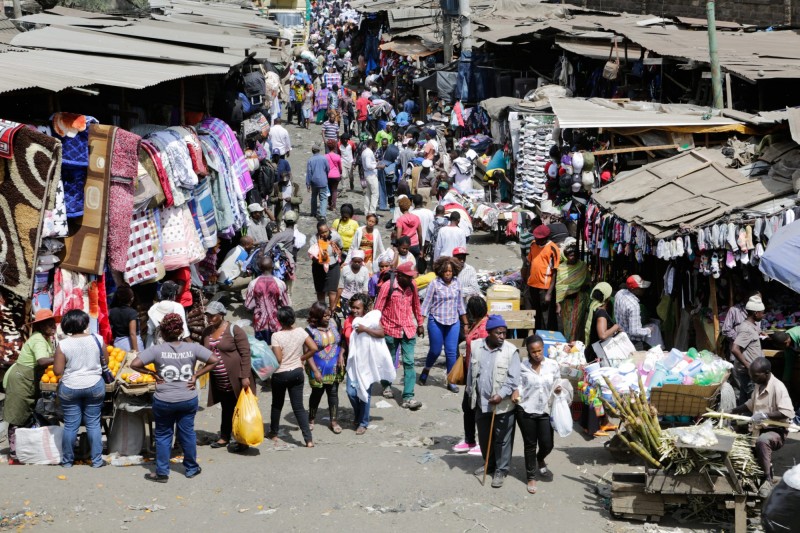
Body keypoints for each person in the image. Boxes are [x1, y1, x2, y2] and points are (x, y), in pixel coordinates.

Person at [132, 313, 219, 483]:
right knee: (187, 433)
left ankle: (162, 472)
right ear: (180, 331)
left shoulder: (156, 350)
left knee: (163, 435)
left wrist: (152, 373)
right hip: (187, 398)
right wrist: (196, 375)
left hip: (164, 400)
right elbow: (214, 360)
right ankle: (192, 468)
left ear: (163, 332)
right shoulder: (193, 347)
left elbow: (134, 364)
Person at [467, 315, 521, 488]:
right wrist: (470, 394)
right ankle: (488, 465)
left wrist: (502, 394)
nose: (502, 336)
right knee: (484, 437)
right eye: (499, 333)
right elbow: (471, 373)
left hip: (502, 404)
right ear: (489, 332)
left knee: (502, 439)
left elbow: (513, 379)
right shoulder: (476, 347)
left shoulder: (511, 351)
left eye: (504, 333)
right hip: (481, 403)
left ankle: (501, 470)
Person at [50, 310, 105, 468]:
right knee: (93, 423)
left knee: (70, 425)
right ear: (86, 323)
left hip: (70, 387)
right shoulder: (97, 339)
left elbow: (57, 371)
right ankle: (97, 461)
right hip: (94, 384)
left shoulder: (64, 344)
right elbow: (105, 361)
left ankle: (67, 462)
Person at [3, 310, 57, 464]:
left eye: (53, 323)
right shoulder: (38, 339)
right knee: (16, 416)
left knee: (26, 415)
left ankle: (23, 449)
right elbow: (41, 361)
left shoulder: (46, 339)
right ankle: (14, 455)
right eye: (48, 323)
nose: (53, 326)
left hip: (28, 380)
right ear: (40, 326)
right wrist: (60, 357)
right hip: (20, 379)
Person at [730, 357, 795, 485]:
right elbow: (750, 403)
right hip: (758, 428)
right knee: (742, 442)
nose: (752, 379)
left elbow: (788, 412)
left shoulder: (778, 387)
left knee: (763, 441)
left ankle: (767, 480)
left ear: (766, 373)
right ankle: (758, 475)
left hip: (776, 431)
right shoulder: (759, 384)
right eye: (751, 375)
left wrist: (766, 415)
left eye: (755, 376)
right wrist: (732, 411)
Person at [512, 335, 560, 494]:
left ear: (543, 348)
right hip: (526, 409)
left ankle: (540, 458)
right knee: (530, 444)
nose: (537, 354)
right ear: (528, 352)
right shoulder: (522, 366)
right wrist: (516, 391)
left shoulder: (552, 365)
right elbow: (517, 383)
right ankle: (531, 476)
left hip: (546, 410)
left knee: (548, 444)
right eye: (533, 352)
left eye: (539, 350)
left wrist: (559, 389)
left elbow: (557, 382)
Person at [202, 302, 252, 453]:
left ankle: (242, 439)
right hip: (219, 380)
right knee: (226, 408)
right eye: (208, 315)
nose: (210, 318)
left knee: (240, 409)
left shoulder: (234, 330)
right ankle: (224, 436)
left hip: (236, 378)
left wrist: (244, 376)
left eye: (213, 315)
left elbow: (245, 354)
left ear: (221, 315)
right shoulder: (207, 332)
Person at [374, 261, 424, 409]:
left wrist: (420, 324)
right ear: (399, 275)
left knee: (409, 362)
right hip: (390, 329)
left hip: (408, 329)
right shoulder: (386, 287)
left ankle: (408, 396)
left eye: (412, 277)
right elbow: (378, 309)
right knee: (389, 360)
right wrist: (378, 328)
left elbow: (416, 305)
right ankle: (386, 385)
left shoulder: (412, 286)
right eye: (408, 277)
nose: (411, 280)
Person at [345, 293, 396, 434]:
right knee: (351, 392)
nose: (355, 310)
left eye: (358, 308)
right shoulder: (348, 320)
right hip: (353, 361)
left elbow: (381, 333)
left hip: (367, 362)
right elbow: (345, 338)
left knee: (365, 392)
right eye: (353, 307)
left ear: (364, 308)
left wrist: (365, 329)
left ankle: (363, 422)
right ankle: (359, 414)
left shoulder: (370, 319)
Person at [269, 306, 317, 447]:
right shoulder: (301, 332)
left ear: (279, 321)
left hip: (281, 374)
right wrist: (301, 358)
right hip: (297, 372)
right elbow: (313, 348)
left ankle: (274, 432)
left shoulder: (276, 336)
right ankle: (308, 440)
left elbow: (278, 359)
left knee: (277, 404)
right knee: (299, 407)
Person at [419, 256, 468, 392]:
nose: (448, 274)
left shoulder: (457, 283)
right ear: (440, 271)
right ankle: (426, 369)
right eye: (445, 271)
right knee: (435, 350)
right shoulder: (434, 284)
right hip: (436, 320)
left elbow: (460, 304)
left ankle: (450, 380)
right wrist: (420, 323)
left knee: (451, 352)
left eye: (450, 271)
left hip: (453, 321)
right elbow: (426, 304)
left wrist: (465, 323)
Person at [453, 296, 488, 456]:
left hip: (479, 376)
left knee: (477, 408)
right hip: (471, 374)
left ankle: (482, 443)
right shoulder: (478, 324)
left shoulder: (483, 329)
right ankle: (470, 440)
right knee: (468, 407)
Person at [305, 302, 344, 434]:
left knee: (333, 394)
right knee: (317, 394)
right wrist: (315, 371)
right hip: (317, 368)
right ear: (317, 316)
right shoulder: (310, 331)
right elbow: (307, 353)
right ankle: (311, 418)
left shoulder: (334, 324)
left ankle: (334, 421)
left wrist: (341, 357)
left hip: (333, 367)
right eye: (325, 315)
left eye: (329, 315)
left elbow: (341, 341)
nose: (328, 317)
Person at [245, 256, 291, 344]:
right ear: (273, 267)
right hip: (276, 322)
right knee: (276, 348)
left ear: (259, 268)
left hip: (259, 323)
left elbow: (248, 305)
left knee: (262, 349)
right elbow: (286, 305)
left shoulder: (253, 283)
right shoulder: (280, 283)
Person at [731, 295, 766, 405]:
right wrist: (748, 366)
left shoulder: (752, 325)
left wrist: (760, 333)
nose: (763, 315)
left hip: (752, 370)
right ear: (756, 313)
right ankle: (749, 420)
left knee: (745, 398)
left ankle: (742, 420)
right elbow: (735, 349)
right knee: (752, 399)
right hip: (749, 371)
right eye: (762, 312)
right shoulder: (747, 329)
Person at [524, 225, 560, 331]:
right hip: (531, 285)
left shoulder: (553, 248)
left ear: (545, 238)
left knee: (544, 316)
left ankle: (543, 337)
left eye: (538, 238)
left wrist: (549, 293)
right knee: (530, 313)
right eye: (535, 237)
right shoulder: (533, 245)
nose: (536, 240)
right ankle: (531, 334)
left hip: (544, 287)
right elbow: (530, 263)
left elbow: (554, 272)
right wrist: (526, 281)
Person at [614, 275, 662, 350]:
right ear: (633, 289)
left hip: (620, 338)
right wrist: (649, 330)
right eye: (641, 288)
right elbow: (634, 331)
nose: (644, 289)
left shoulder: (619, 294)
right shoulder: (634, 305)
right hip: (632, 342)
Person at [554, 243, 589, 341]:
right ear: (566, 255)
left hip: (579, 300)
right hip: (566, 302)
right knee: (568, 325)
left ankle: (574, 344)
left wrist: (580, 287)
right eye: (570, 255)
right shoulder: (561, 268)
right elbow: (559, 286)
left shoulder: (582, 266)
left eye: (574, 255)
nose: (572, 257)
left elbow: (587, 281)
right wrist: (558, 303)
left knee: (576, 325)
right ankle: (570, 343)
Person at [309, 221, 343, 310]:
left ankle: (332, 311)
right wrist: (318, 259)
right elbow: (312, 254)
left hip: (333, 265)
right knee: (320, 291)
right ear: (318, 232)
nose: (324, 234)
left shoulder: (335, 236)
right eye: (322, 232)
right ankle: (322, 311)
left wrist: (337, 253)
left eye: (326, 231)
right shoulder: (314, 239)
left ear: (328, 229)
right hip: (318, 267)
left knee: (332, 290)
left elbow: (341, 247)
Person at [145, 281, 190, 347]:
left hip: (154, 345)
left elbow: (150, 331)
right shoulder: (177, 306)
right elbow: (184, 331)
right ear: (174, 294)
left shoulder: (154, 307)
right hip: (172, 346)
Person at [109, 286, 142, 352]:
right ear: (132, 299)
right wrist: (136, 352)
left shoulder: (112, 311)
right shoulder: (132, 312)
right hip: (132, 344)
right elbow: (132, 334)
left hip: (118, 344)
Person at [337, 249, 370, 313]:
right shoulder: (345, 269)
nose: (357, 263)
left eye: (359, 262)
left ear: (362, 261)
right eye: (355, 261)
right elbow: (340, 287)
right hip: (345, 298)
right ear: (351, 260)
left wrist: (365, 302)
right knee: (348, 318)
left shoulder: (365, 271)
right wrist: (335, 303)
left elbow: (365, 289)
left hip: (359, 300)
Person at [395, 196, 423, 269]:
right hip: (415, 245)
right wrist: (421, 249)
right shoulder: (416, 218)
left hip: (404, 246)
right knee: (414, 267)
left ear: (400, 208)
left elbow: (398, 236)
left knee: (403, 267)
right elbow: (420, 235)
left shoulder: (400, 220)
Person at [306, 142, 331, 220]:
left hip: (314, 181)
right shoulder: (324, 158)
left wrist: (308, 183)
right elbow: (328, 169)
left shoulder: (310, 160)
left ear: (312, 151)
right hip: (323, 181)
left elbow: (309, 173)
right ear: (319, 150)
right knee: (323, 198)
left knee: (314, 196)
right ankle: (322, 214)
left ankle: (313, 212)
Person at [361, 139, 379, 216]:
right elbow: (368, 165)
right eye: (375, 144)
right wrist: (377, 166)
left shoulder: (365, 151)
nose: (376, 146)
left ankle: (367, 210)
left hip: (367, 174)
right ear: (372, 144)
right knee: (375, 193)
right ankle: (372, 211)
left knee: (368, 193)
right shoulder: (368, 153)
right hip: (371, 175)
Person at [325, 146, 343, 211]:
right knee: (334, 190)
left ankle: (329, 203)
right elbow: (340, 167)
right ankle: (334, 206)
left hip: (328, 175)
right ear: (334, 147)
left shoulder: (325, 156)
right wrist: (340, 172)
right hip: (336, 175)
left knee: (329, 189)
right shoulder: (338, 156)